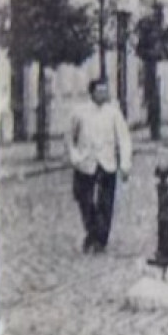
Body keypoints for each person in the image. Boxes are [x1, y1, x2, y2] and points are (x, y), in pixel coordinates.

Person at [67, 79, 133, 254]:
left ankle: (99, 240)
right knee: (84, 200)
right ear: (92, 93)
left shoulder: (113, 113)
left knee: (106, 202)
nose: (104, 94)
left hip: (107, 163)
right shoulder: (79, 112)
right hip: (85, 163)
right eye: (100, 91)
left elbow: (124, 139)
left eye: (106, 91)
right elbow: (69, 138)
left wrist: (125, 164)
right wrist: (75, 158)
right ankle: (92, 232)